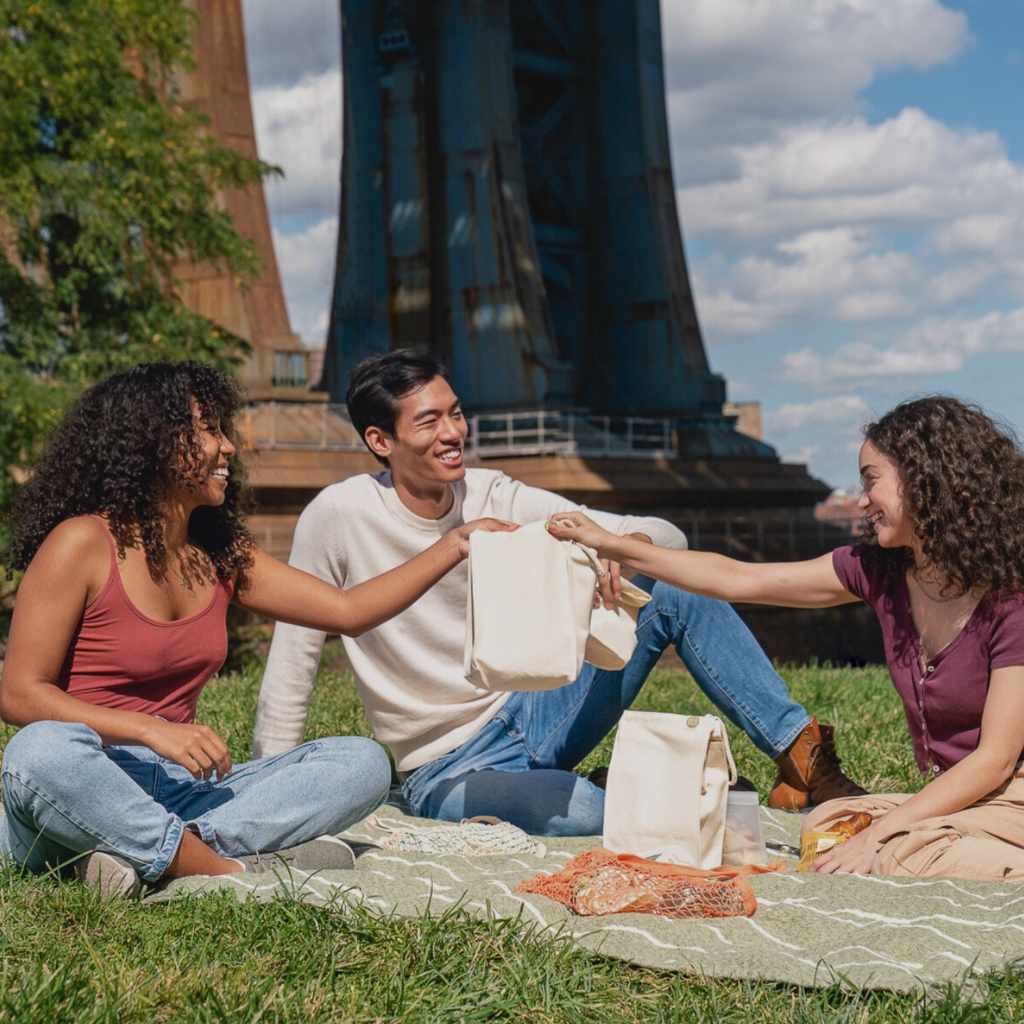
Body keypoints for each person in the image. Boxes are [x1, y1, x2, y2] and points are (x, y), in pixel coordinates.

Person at [252, 349, 863, 836]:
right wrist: (269, 790)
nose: (453, 432)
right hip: (446, 767)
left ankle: (800, 757)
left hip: (538, 711)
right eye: (429, 420)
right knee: (590, 817)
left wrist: (612, 548)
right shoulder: (337, 516)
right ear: (380, 441)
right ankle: (660, 787)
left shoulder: (494, 493)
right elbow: (295, 653)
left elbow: (662, 539)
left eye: (456, 412)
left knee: (674, 585)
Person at [0, 361, 511, 897]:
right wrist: (150, 729)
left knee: (360, 763)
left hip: (178, 792)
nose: (228, 448)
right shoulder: (81, 542)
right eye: (209, 430)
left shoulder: (220, 555)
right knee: (38, 753)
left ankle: (153, 852)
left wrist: (455, 543)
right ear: (153, 441)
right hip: (84, 779)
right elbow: (18, 695)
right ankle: (220, 869)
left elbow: (347, 610)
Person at [548, 395, 1024, 880]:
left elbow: (994, 759)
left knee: (894, 851)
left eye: (871, 481)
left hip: (1011, 793)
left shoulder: (1011, 597)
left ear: (923, 478)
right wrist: (610, 542)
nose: (862, 501)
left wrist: (881, 835)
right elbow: (737, 579)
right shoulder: (881, 573)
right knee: (829, 822)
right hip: (971, 801)